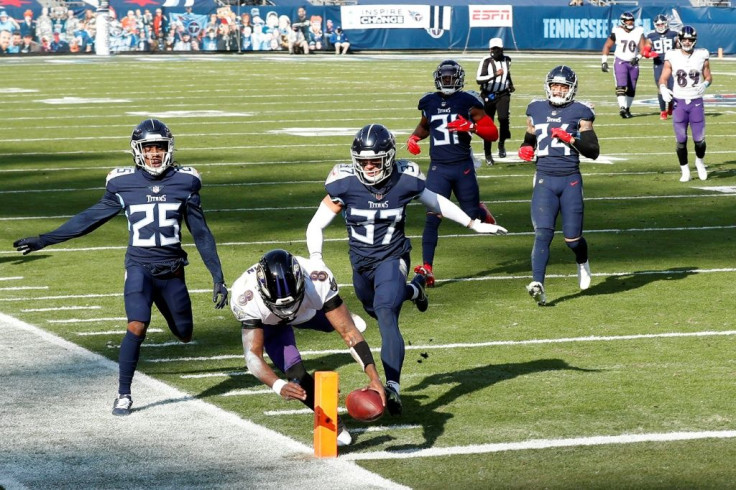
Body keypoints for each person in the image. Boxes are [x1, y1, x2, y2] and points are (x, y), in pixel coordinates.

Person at [13, 119, 229, 416]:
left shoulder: (186, 181)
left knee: (184, 333)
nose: (154, 153)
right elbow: (89, 219)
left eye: (160, 147)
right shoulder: (121, 183)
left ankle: (166, 313)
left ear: (170, 148)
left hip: (172, 271)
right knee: (136, 325)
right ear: (137, 150)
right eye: (148, 147)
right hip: (139, 266)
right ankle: (124, 394)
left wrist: (217, 276)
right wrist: (44, 240)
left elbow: (201, 233)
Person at [306, 124, 507, 415]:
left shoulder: (405, 179)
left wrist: (473, 224)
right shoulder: (344, 183)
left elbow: (436, 201)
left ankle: (393, 386)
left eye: (375, 161)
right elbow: (316, 224)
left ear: (388, 158)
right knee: (372, 307)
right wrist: (316, 257)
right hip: (360, 261)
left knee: (386, 312)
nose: (370, 167)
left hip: (392, 255)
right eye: (364, 162)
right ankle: (415, 288)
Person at [231, 249, 385, 446]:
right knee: (295, 374)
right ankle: (334, 423)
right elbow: (252, 355)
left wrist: (374, 377)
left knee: (343, 326)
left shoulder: (316, 278)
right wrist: (278, 386)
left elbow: (349, 334)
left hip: (307, 310)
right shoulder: (245, 295)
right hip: (271, 323)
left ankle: (336, 316)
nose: (287, 310)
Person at [406, 60, 500, 287]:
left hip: (462, 166)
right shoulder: (429, 101)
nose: (447, 81)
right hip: (439, 168)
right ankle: (427, 267)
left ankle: (479, 209)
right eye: (444, 77)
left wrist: (471, 127)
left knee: (472, 217)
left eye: (451, 77)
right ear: (438, 78)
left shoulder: (468, 101)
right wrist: (414, 137)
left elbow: (493, 134)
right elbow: (425, 125)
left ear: (458, 78)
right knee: (432, 216)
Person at [517, 66, 600, 306]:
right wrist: (526, 146)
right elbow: (531, 133)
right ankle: (538, 284)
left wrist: (571, 139)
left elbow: (593, 152)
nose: (559, 90)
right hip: (544, 178)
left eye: (564, 86)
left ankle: (582, 261)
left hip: (570, 179)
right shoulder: (535, 108)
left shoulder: (581, 112)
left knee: (572, 239)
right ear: (548, 86)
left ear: (572, 88)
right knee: (543, 233)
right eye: (555, 85)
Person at [658, 26, 712, 182]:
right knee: (681, 141)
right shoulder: (672, 55)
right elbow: (663, 77)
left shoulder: (702, 54)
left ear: (694, 41)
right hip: (679, 102)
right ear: (679, 40)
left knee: (700, 141)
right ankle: (685, 170)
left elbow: (708, 76)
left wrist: (706, 84)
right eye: (684, 39)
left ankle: (700, 163)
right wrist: (662, 87)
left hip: (696, 101)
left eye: (690, 39)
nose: (687, 42)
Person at [476, 37, 515, 165]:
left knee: (504, 119)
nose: (495, 51)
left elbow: (507, 74)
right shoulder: (486, 61)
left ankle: (501, 144)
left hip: (503, 94)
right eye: (493, 48)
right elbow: (479, 79)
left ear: (502, 49)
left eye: (497, 48)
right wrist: (495, 75)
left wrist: (510, 84)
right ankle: (488, 154)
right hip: (487, 95)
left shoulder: (507, 60)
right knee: (488, 125)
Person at [601, 11, 647, 119]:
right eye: (628, 21)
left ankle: (627, 109)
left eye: (632, 21)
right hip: (620, 61)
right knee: (621, 85)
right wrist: (604, 61)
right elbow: (607, 46)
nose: (630, 23)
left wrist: (638, 58)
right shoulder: (617, 31)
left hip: (633, 62)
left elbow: (643, 48)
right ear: (623, 22)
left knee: (632, 88)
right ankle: (622, 107)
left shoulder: (638, 31)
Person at [645, 14, 679, 120]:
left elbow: (679, 47)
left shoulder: (674, 34)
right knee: (661, 87)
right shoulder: (651, 36)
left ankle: (670, 106)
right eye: (658, 24)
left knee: (673, 87)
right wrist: (650, 54)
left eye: (662, 24)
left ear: (666, 24)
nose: (660, 26)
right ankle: (662, 111)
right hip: (659, 64)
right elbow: (646, 50)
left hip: (672, 63)